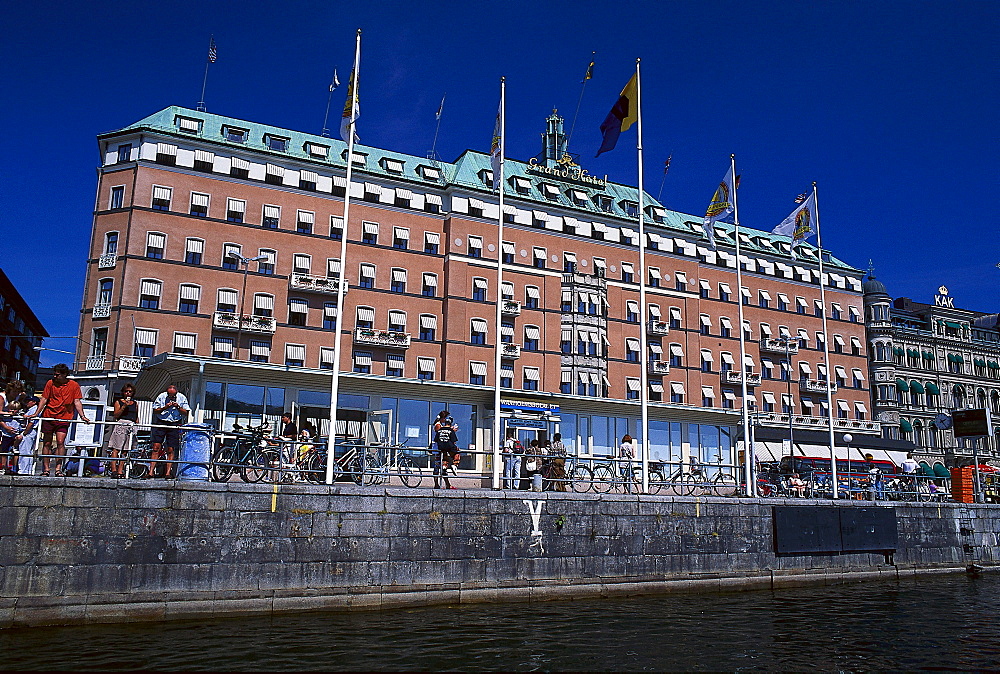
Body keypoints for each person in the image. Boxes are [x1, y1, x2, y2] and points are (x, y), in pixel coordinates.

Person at [29, 364, 91, 477]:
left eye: (57, 374)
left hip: (64, 417)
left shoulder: (73, 385)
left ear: (64, 375)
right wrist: (36, 413)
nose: (55, 376)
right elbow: (44, 399)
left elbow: (77, 401)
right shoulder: (50, 383)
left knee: (60, 442)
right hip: (49, 415)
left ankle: (58, 469)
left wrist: (83, 416)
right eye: (54, 374)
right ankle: (46, 469)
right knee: (47, 443)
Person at [148, 384, 190, 479]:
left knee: (171, 449)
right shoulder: (161, 396)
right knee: (156, 447)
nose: (171, 397)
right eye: (169, 395)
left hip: (174, 423)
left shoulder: (182, 397)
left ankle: (168, 473)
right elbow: (155, 411)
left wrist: (178, 407)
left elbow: (186, 412)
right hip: (161, 422)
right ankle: (151, 472)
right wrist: (164, 408)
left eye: (173, 396)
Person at [106, 384, 138, 478]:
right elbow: (116, 415)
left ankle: (120, 470)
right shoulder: (118, 402)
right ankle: (114, 470)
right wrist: (123, 406)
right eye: (126, 391)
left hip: (131, 425)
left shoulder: (135, 403)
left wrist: (137, 426)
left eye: (130, 391)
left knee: (126, 450)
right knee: (116, 448)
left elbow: (136, 416)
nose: (128, 393)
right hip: (122, 423)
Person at [432, 410, 459, 489]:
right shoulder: (438, 425)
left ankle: (447, 484)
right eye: (445, 418)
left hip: (441, 448)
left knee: (443, 465)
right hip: (438, 448)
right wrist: (451, 430)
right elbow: (440, 434)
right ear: (443, 418)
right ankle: (437, 484)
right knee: (437, 466)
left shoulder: (440, 425)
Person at [16, 396, 39, 476]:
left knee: (25, 451)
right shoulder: (31, 409)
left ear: (34, 402)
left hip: (29, 432)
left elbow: (31, 422)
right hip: (30, 431)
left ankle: (24, 470)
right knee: (27, 451)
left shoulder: (34, 409)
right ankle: (26, 470)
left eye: (29, 401)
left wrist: (25, 432)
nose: (27, 403)